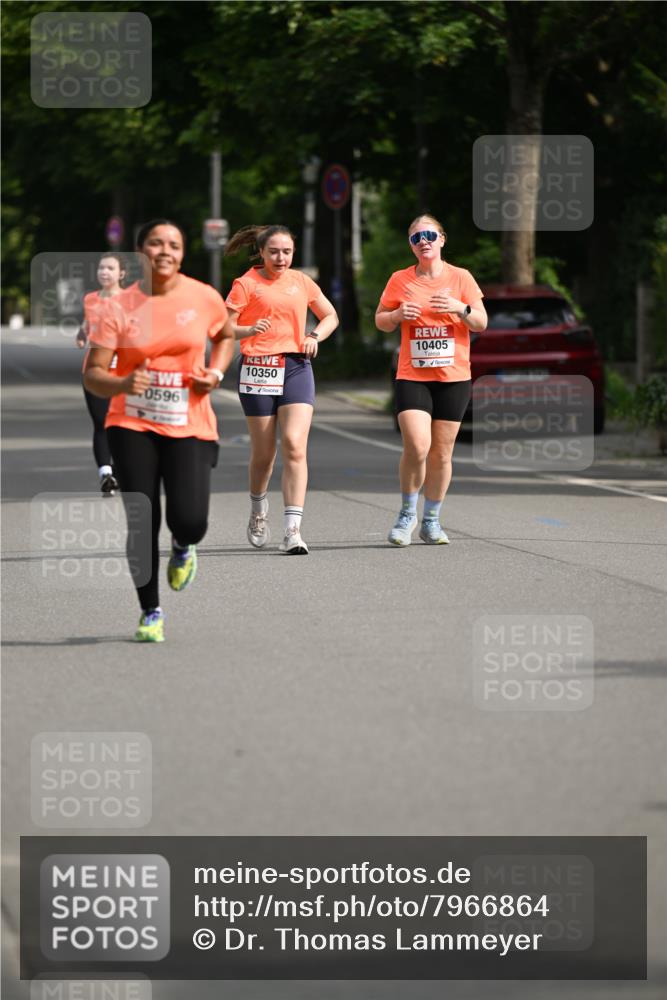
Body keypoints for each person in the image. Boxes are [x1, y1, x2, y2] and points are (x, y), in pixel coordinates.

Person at [83, 219, 235, 642]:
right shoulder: (117, 307)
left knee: (190, 520)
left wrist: (217, 372)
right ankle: (150, 611)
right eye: (155, 243)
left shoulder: (203, 296)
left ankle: (184, 546)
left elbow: (225, 336)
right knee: (142, 519)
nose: (164, 250)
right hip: (131, 422)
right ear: (139, 252)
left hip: (189, 422)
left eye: (174, 244)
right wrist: (122, 383)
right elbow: (94, 374)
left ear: (183, 254)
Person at [224, 225, 338, 554]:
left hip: (296, 366)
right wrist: (247, 328)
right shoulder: (246, 284)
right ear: (261, 252)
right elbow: (223, 327)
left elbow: (330, 315)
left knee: (294, 445)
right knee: (264, 455)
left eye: (287, 251)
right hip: (258, 369)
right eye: (274, 251)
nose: (281, 257)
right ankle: (259, 511)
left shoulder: (301, 281)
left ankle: (292, 531)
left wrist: (314, 336)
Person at [375, 214, 487, 546]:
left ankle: (432, 521)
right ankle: (407, 514)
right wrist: (395, 316)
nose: (423, 241)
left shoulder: (461, 278)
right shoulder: (400, 280)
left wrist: (459, 308)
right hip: (413, 375)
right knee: (417, 444)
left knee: (441, 453)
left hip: (453, 377)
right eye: (415, 238)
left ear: (441, 239)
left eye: (428, 235)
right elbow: (380, 320)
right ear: (411, 245)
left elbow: (480, 321)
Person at [76, 253, 126, 496]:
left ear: (121, 274)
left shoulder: (132, 301)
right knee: (100, 423)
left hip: (124, 372)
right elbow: (87, 323)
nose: (104, 272)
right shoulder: (90, 299)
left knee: (122, 423)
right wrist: (82, 335)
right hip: (94, 371)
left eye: (110, 268)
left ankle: (119, 468)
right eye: (101, 268)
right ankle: (106, 474)